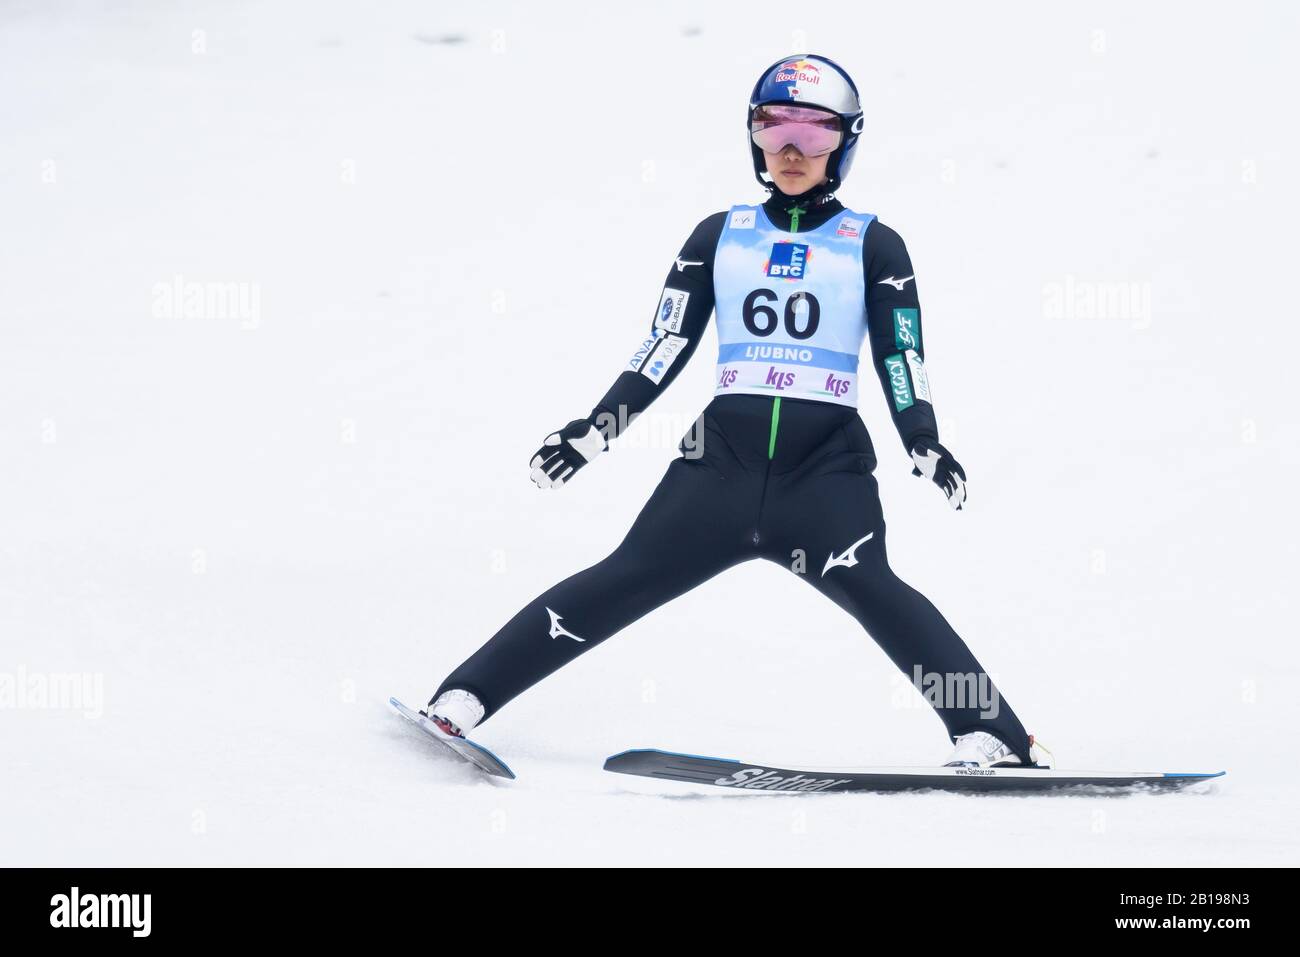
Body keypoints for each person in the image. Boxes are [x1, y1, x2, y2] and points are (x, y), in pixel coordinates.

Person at [423, 55, 1043, 769]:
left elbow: (902, 356)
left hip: (825, 469)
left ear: (846, 142)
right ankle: (462, 700)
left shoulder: (874, 243)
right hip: (718, 465)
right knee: (620, 578)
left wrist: (923, 440)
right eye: (773, 125)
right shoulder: (719, 235)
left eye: (815, 132)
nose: (791, 149)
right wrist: (596, 431)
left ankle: (993, 733)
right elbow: (663, 344)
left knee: (880, 593)